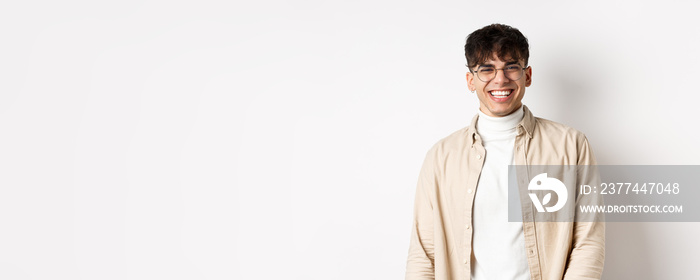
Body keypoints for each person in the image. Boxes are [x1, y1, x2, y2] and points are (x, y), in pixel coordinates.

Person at [405, 24, 605, 280]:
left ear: (528, 75)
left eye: (511, 67)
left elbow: (588, 240)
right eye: (486, 69)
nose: (500, 79)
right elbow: (424, 252)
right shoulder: (441, 156)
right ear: (470, 80)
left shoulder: (571, 145)